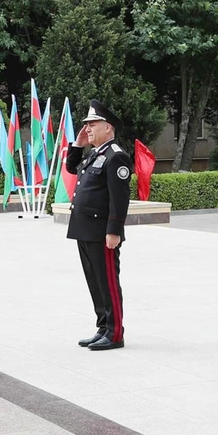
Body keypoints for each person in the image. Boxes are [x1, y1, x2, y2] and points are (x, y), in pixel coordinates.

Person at [65, 99, 132, 351]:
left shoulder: (117, 157)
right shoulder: (95, 153)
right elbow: (72, 168)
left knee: (108, 282)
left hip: (103, 232)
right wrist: (77, 145)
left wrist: (114, 230)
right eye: (87, 124)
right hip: (85, 229)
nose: (88, 128)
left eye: (93, 124)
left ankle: (115, 334)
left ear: (109, 128)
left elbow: (119, 198)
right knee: (94, 280)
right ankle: (103, 327)